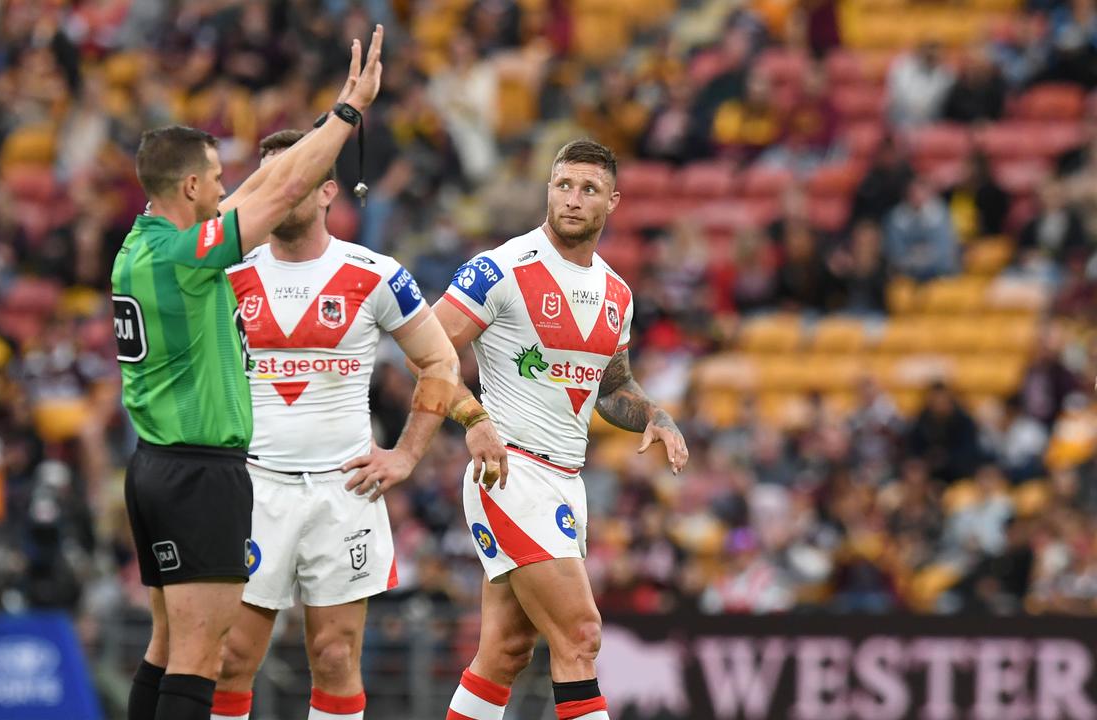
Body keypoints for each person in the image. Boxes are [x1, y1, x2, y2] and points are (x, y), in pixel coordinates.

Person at [112, 27, 385, 720]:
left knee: (167, 643)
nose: (231, 184)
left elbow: (269, 184)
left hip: (153, 466)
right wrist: (349, 114)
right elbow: (286, 186)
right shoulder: (191, 256)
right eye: (219, 175)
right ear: (195, 185)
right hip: (200, 473)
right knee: (201, 658)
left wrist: (325, 119)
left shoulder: (147, 244)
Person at [433, 140, 689, 720]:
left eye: (589, 190)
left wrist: (656, 415)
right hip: (511, 471)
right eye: (563, 185)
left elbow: (612, 386)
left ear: (613, 202)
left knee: (505, 651)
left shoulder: (616, 293)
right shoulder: (499, 268)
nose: (573, 200)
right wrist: (472, 419)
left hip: (564, 480)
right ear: (548, 189)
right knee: (580, 635)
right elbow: (427, 352)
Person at [207, 129, 458, 720]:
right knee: (231, 658)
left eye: (296, 175)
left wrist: (407, 455)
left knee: (336, 654)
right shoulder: (224, 270)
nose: (281, 188)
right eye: (270, 178)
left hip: (344, 490)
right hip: (254, 486)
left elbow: (441, 360)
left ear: (327, 190)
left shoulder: (375, 273)